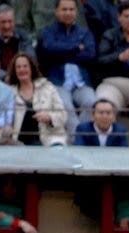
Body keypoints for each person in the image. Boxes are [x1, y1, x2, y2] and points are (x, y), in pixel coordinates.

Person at [36, 0, 96, 138]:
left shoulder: (84, 32)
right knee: (64, 105)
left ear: (76, 11)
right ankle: (80, 139)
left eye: (71, 9)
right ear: (56, 11)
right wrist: (76, 48)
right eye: (64, 9)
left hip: (81, 83)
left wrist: (62, 53)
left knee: (91, 102)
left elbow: (90, 55)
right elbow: (49, 49)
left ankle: (79, 136)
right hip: (59, 82)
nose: (68, 13)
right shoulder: (48, 31)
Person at [6, 52, 68, 146]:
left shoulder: (48, 87)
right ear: (14, 71)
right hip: (18, 143)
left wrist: (49, 117)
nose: (22, 69)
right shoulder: (8, 92)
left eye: (25, 66)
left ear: (31, 68)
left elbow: (63, 115)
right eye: (18, 67)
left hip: (49, 139)